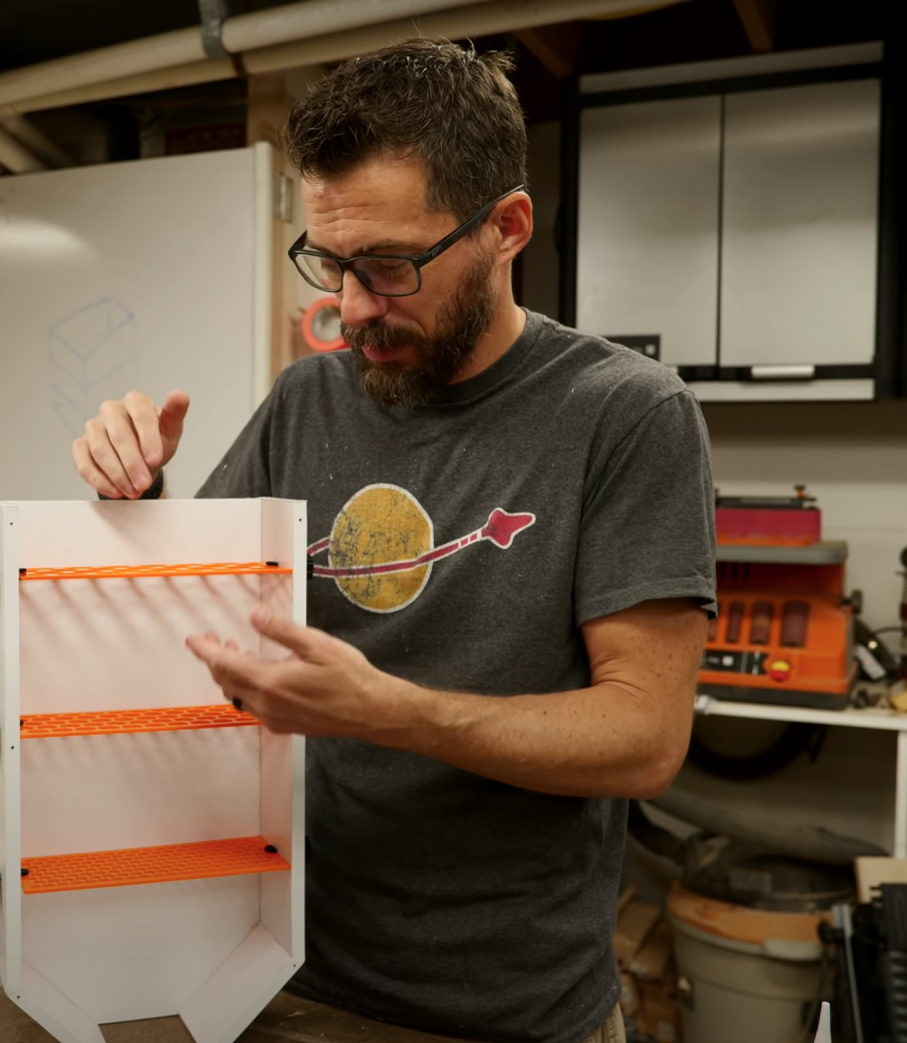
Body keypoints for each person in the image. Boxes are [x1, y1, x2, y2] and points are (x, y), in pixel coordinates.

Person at [69, 39, 714, 1043]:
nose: (353, 307)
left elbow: (644, 737)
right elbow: (197, 622)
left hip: (508, 1009)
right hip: (282, 967)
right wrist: (137, 494)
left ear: (506, 228)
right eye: (332, 263)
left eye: (389, 266)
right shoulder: (306, 398)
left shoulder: (625, 414)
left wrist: (395, 713)